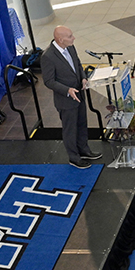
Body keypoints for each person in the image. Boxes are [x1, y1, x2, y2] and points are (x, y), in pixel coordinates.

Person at [41, 26, 100, 169]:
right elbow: (49, 81)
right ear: (60, 40)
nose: (73, 38)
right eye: (70, 36)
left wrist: (83, 78)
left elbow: (78, 65)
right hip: (66, 100)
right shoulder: (48, 56)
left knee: (81, 124)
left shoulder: (70, 47)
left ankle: (84, 150)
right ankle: (74, 158)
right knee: (70, 129)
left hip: (79, 94)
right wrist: (67, 90)